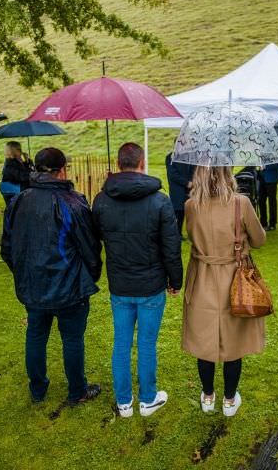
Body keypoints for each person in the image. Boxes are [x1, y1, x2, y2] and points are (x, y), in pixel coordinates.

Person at [1, 147, 102, 404]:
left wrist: (88, 275)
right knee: (57, 336)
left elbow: (88, 247)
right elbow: (9, 248)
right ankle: (49, 388)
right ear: (62, 170)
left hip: (56, 283)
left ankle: (66, 389)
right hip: (56, 285)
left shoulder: (69, 201)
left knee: (43, 334)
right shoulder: (23, 201)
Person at [93, 142, 183, 418]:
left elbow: (96, 235)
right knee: (144, 342)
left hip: (127, 283)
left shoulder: (103, 199)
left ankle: (129, 401)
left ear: (121, 164)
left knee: (123, 341)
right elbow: (171, 246)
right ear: (141, 163)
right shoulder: (157, 200)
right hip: (144, 284)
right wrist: (176, 280)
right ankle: (144, 398)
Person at [182, 166, 266, 417]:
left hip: (203, 279)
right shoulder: (241, 202)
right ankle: (229, 400)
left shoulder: (191, 205)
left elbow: (191, 236)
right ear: (228, 173)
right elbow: (260, 240)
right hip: (234, 277)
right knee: (233, 341)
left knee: (203, 340)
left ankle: (208, 396)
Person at [165, 150, 195, 236]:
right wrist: (187, 183)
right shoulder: (171, 157)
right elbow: (172, 174)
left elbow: (193, 170)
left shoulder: (190, 156)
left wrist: (193, 181)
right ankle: (176, 234)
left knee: (190, 212)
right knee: (178, 212)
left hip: (190, 190)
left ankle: (191, 234)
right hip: (177, 189)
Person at [0, 141, 34, 206]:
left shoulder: (17, 161)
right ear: (13, 151)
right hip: (14, 191)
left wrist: (27, 162)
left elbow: (26, 171)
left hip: (20, 190)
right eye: (19, 149)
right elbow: (20, 177)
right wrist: (32, 174)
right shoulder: (10, 164)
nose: (21, 151)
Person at [259, 162, 278, 231]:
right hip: (262, 177)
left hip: (272, 178)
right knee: (261, 200)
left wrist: (265, 167)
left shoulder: (277, 151)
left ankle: (272, 224)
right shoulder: (262, 150)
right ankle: (263, 222)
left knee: (272, 201)